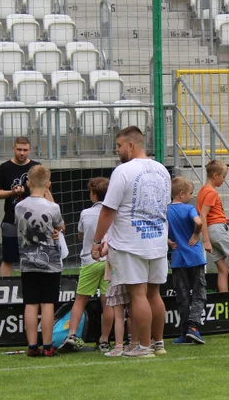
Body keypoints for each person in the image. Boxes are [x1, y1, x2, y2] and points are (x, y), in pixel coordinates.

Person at [91, 126, 171, 358]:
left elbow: (108, 210)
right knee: (154, 294)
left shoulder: (123, 171)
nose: (117, 150)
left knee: (138, 295)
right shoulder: (162, 170)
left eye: (119, 145)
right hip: (156, 239)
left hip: (130, 242)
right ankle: (158, 343)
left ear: (131, 145)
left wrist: (97, 241)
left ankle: (142, 347)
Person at [13, 165, 65, 357]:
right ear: (48, 184)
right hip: (50, 262)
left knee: (31, 303)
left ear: (27, 183)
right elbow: (60, 226)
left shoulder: (20, 206)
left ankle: (32, 345)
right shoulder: (53, 207)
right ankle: (48, 345)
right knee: (48, 303)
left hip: (27, 261)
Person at [0, 137, 49, 277]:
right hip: (11, 220)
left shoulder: (36, 167)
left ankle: (32, 290)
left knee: (34, 258)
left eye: (25, 150)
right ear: (13, 149)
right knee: (7, 259)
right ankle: (5, 291)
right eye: (19, 150)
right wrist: (12, 192)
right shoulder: (4, 168)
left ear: (30, 150)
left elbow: (46, 191)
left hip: (34, 222)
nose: (21, 153)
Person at [62, 177, 109, 352]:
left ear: (93, 194)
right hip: (108, 261)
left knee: (80, 300)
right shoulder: (114, 212)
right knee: (108, 303)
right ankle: (104, 340)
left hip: (89, 260)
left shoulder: (85, 213)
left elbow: (81, 235)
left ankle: (72, 335)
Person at [167, 177, 206, 345]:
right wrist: (196, 234)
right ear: (181, 194)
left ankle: (184, 333)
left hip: (177, 259)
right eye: (190, 193)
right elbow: (199, 222)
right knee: (199, 294)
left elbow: (160, 228)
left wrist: (168, 241)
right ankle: (193, 327)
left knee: (182, 298)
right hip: (195, 257)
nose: (192, 196)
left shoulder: (166, 210)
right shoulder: (189, 208)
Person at [197, 159, 229, 293]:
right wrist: (206, 240)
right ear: (215, 176)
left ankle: (225, 299)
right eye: (223, 177)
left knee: (222, 269)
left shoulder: (202, 190)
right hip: (215, 231)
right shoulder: (211, 192)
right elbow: (203, 215)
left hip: (213, 229)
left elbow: (209, 214)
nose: (223, 180)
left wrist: (223, 220)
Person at [101, 252, 129, 358]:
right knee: (133, 313)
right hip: (133, 276)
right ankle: (136, 344)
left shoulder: (112, 236)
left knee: (119, 316)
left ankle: (118, 347)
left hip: (117, 277)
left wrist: (97, 247)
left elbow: (103, 250)